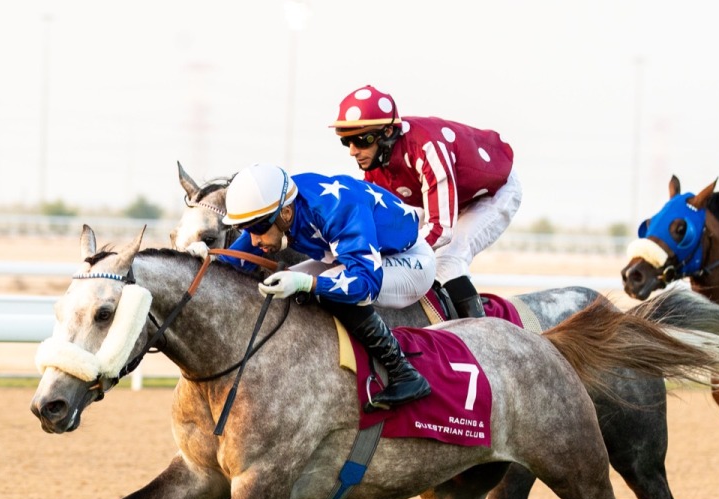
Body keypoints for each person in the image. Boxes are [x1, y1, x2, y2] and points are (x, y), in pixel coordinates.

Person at [221, 162, 436, 410]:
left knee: (324, 289)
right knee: (275, 286)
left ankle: (403, 373)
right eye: (244, 229)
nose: (253, 239)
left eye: (257, 228)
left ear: (286, 214)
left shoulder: (336, 208)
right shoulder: (276, 207)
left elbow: (366, 284)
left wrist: (308, 283)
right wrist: (201, 258)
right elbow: (229, 264)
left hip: (409, 261)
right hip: (354, 257)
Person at [328, 84, 521, 319]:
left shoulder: (426, 147)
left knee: (448, 258)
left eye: (362, 139)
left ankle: (479, 334)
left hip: (493, 192)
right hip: (450, 195)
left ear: (388, 133)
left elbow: (441, 230)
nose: (353, 151)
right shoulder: (375, 167)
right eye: (346, 141)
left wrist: (400, 256)